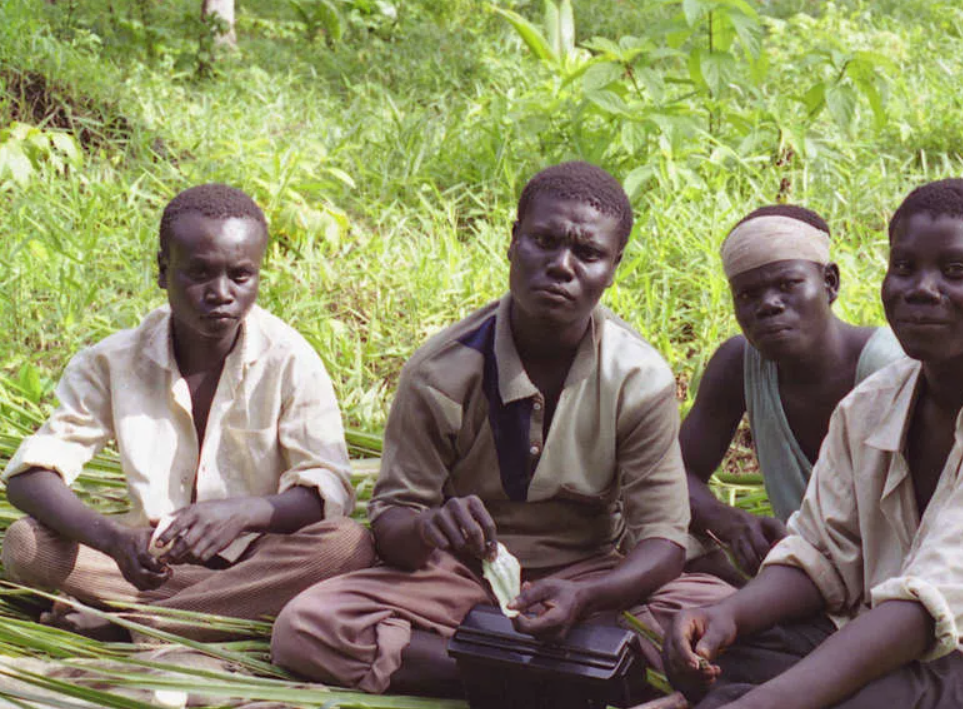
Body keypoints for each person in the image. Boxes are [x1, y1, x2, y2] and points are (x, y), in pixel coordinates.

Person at [269, 161, 732, 696]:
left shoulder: (638, 379)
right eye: (544, 240)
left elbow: (663, 544)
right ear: (512, 242)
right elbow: (393, 526)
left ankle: (502, 669)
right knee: (306, 626)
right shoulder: (441, 372)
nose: (561, 266)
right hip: (464, 580)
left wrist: (589, 596)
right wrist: (429, 527)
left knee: (720, 615)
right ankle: (567, 679)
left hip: (593, 579)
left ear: (614, 266)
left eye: (588, 253)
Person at [664, 178, 963, 709]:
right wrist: (729, 615)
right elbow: (822, 554)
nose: (920, 288)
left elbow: (923, 612)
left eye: (955, 271)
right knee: (727, 656)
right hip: (875, 632)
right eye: (903, 268)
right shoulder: (873, 404)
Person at [1, 183, 374, 642]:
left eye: (241, 276)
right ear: (163, 271)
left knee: (347, 545)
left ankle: (132, 627)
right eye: (199, 274)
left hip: (260, 566)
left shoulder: (290, 359)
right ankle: (219, 617)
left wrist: (244, 512)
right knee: (26, 544)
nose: (221, 293)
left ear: (258, 275)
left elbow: (328, 489)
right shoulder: (113, 361)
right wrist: (114, 541)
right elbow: (29, 476)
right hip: (150, 570)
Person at [681, 205, 904, 584]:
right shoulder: (740, 363)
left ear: (830, 283)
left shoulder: (888, 368)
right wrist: (732, 523)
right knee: (661, 534)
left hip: (892, 574)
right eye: (748, 295)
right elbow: (669, 475)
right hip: (798, 573)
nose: (768, 304)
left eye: (787, 284)